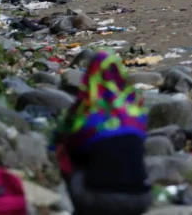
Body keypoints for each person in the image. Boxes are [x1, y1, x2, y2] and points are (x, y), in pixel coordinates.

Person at [52, 48, 153, 215]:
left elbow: (69, 150)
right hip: (142, 199)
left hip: (99, 201)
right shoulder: (135, 113)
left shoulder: (86, 114)